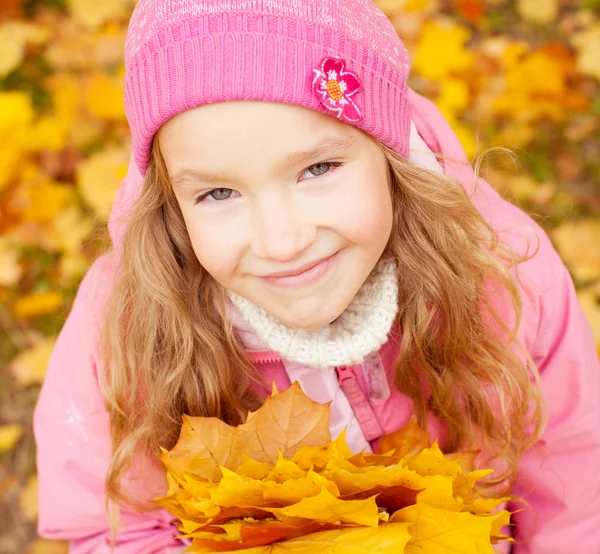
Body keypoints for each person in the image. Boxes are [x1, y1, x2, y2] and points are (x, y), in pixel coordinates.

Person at [34, 0, 600, 552]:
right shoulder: (125, 325)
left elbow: (573, 475)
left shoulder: (502, 272)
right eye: (219, 193)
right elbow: (113, 529)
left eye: (318, 168)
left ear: (390, 153)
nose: (282, 241)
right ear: (170, 201)